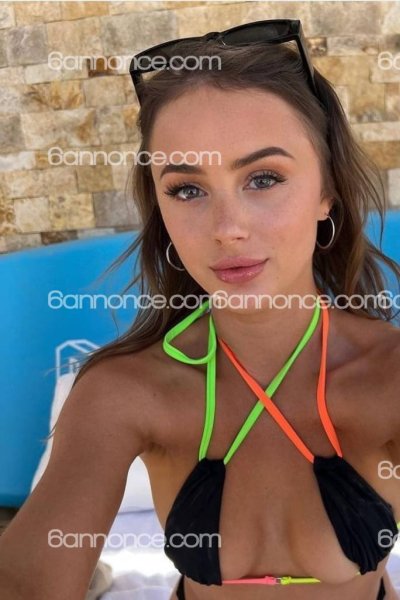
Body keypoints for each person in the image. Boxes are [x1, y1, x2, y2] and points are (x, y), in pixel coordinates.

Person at [1, 20, 400, 600]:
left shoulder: (388, 377)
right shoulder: (126, 392)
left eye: (263, 178)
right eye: (187, 189)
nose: (227, 229)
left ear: (326, 193)